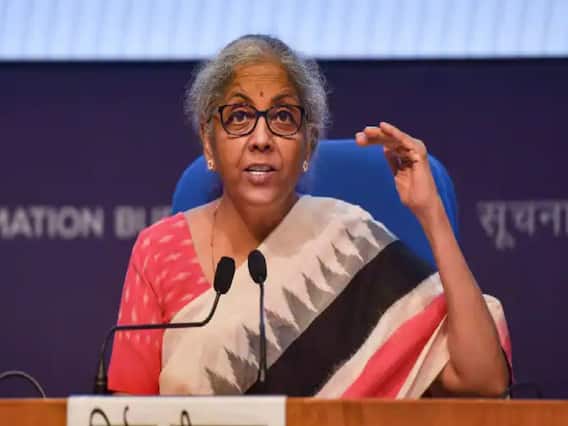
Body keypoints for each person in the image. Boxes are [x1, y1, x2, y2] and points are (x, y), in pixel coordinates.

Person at [108, 34, 511, 397]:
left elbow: (483, 379)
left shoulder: (348, 243)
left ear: (309, 143)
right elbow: (128, 410)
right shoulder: (159, 250)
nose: (261, 139)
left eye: (283, 117)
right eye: (239, 117)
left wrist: (432, 214)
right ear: (209, 143)